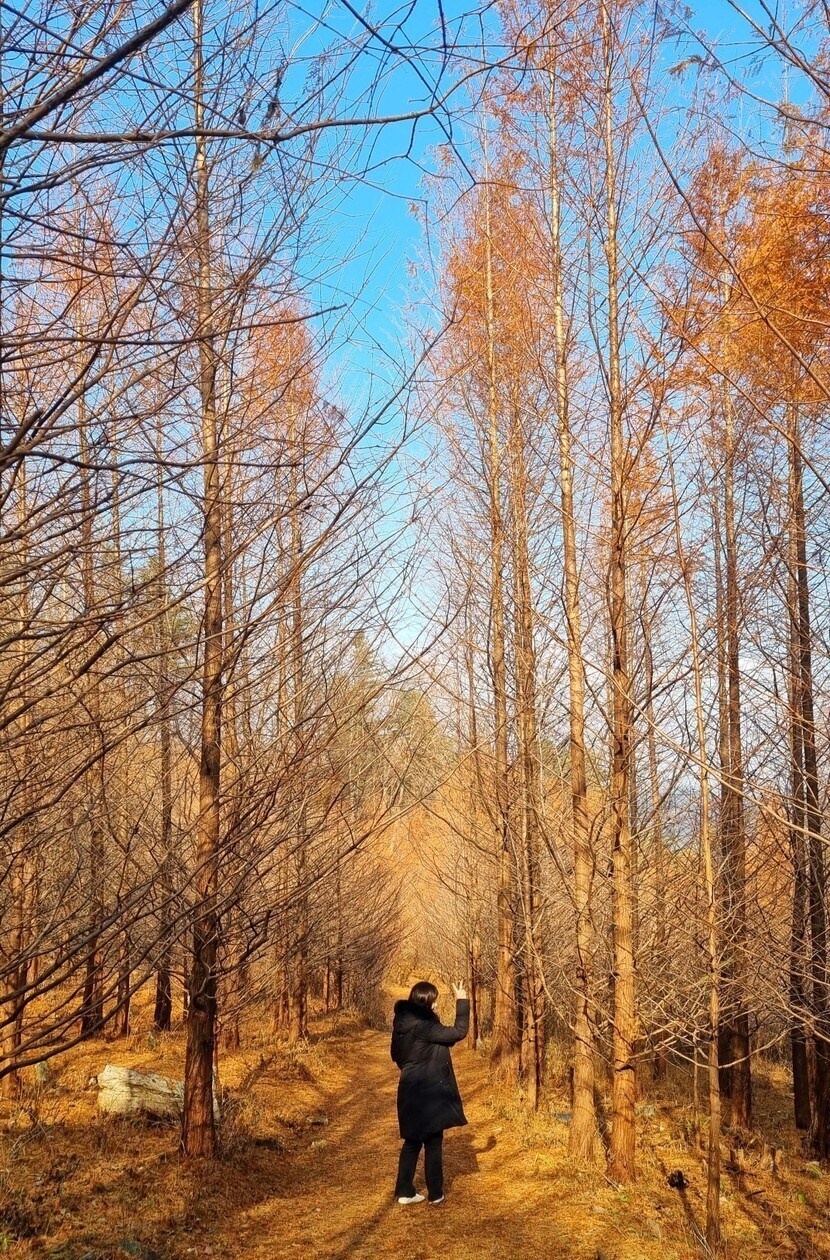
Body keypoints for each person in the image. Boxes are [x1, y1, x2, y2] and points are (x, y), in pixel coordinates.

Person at [390, 979, 470, 1206]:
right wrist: (462, 1000)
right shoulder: (424, 1026)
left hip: (408, 1089)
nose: (436, 1005)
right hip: (428, 1092)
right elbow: (458, 1032)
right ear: (425, 1001)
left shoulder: (402, 1025)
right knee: (433, 1141)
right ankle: (436, 1194)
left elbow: (396, 1056)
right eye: (433, 1001)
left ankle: (405, 1192)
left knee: (412, 1142)